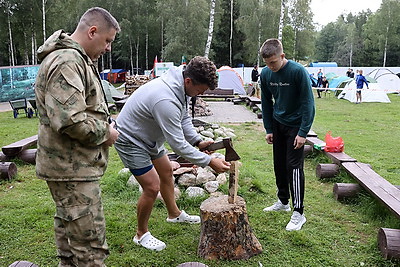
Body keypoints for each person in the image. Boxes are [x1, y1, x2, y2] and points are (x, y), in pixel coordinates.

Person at [114, 56, 231, 251]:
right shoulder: (165, 99)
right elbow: (178, 146)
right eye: (200, 90)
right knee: (152, 187)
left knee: (166, 171)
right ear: (188, 81)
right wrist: (209, 161)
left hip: (149, 138)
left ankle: (174, 214)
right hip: (131, 140)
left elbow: (183, 117)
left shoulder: (180, 86)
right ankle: (141, 234)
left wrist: (198, 141)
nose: (199, 95)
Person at [34, 7, 120, 266]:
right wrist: (107, 133)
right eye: (107, 41)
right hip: (72, 169)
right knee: (89, 246)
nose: (107, 48)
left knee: (70, 236)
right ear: (92, 31)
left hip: (71, 166)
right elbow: (70, 120)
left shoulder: (76, 60)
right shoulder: (67, 62)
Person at [259, 38, 315, 231]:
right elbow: (266, 103)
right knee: (279, 164)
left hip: (295, 125)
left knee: (294, 166)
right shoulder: (265, 74)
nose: (270, 66)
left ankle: (298, 212)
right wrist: (269, 129)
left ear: (282, 56)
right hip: (278, 123)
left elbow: (309, 103)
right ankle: (283, 202)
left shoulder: (298, 71)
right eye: (267, 63)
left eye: (273, 62)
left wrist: (303, 132)